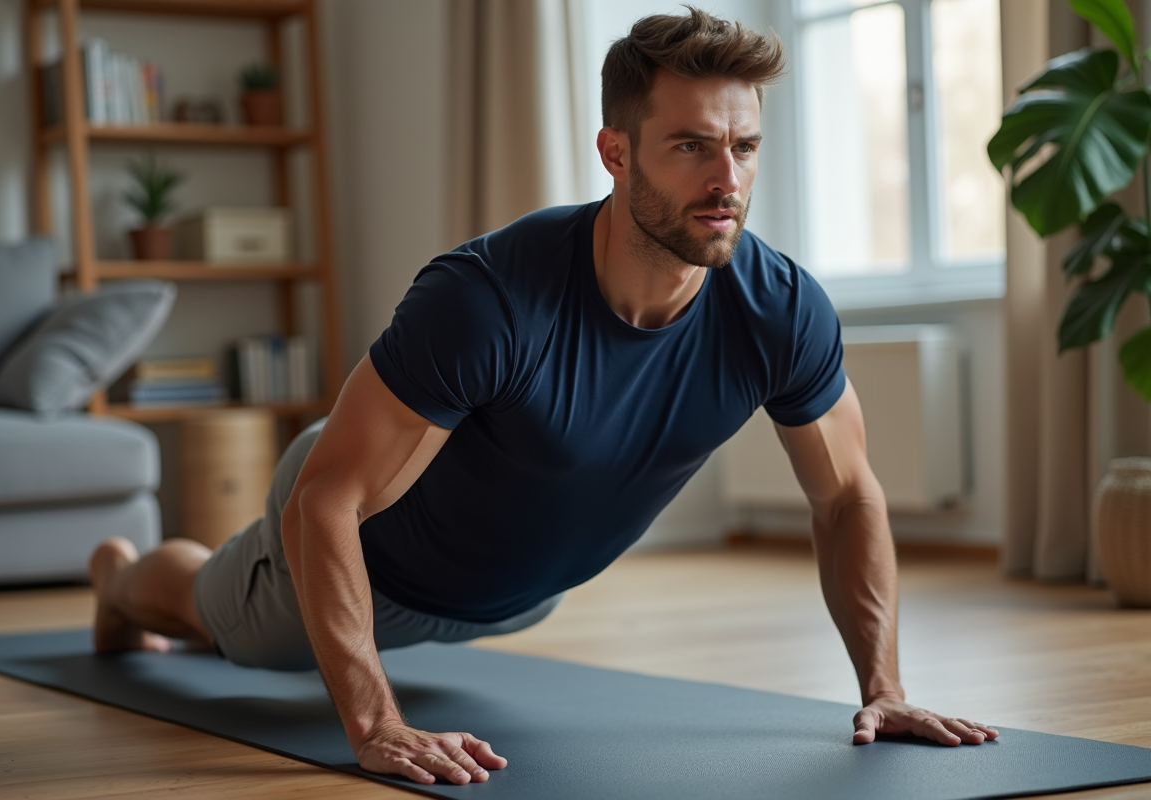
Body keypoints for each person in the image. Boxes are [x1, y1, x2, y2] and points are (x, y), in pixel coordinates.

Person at [88, 7, 999, 788]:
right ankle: (121, 581)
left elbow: (845, 496)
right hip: (367, 547)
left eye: (744, 146)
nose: (727, 180)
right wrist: (375, 725)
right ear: (615, 152)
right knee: (221, 625)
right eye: (691, 146)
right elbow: (327, 500)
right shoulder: (488, 298)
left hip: (519, 594)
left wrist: (884, 690)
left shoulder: (782, 309)